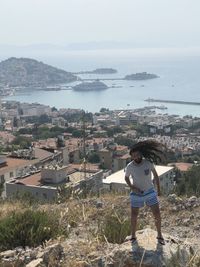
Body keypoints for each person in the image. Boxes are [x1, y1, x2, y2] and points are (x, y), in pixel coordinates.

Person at [125, 140, 166, 245]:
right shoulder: (130, 166)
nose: (136, 157)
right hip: (136, 194)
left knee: (157, 214)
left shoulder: (148, 163)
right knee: (134, 215)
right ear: (131, 156)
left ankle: (160, 235)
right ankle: (133, 236)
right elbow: (126, 178)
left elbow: (156, 176)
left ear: (141, 154)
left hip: (149, 191)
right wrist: (132, 187)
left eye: (137, 154)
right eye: (134, 155)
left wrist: (159, 190)